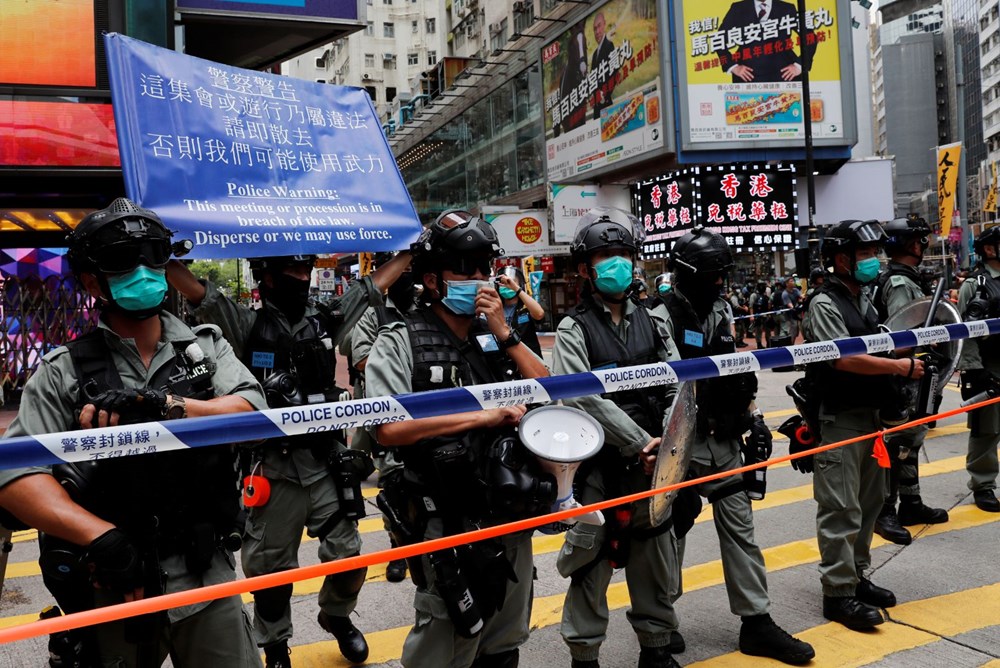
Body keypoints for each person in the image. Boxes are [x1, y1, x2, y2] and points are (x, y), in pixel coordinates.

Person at [0, 197, 266, 667]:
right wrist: (101, 537)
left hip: (207, 573)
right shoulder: (63, 371)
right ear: (90, 281)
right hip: (114, 582)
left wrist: (168, 406)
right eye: (124, 261)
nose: (143, 271)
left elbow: (252, 412)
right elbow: (17, 477)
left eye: (154, 256)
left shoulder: (204, 347)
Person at [166, 249, 411, 667]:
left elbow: (374, 285)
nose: (301, 277)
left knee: (348, 556)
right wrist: (163, 254)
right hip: (273, 466)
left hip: (325, 459)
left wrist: (409, 247)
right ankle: (275, 644)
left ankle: (337, 616)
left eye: (306, 269)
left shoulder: (326, 315)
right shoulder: (245, 323)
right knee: (271, 572)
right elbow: (197, 291)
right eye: (292, 271)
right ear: (268, 277)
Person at [364, 210, 549, 668]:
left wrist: (506, 332)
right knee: (449, 642)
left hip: (508, 508)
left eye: (485, 268)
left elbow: (548, 386)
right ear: (432, 280)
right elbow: (386, 428)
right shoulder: (401, 338)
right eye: (465, 270)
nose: (479, 280)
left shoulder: (497, 335)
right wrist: (479, 419)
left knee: (504, 639)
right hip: (444, 518)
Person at [654, 228, 814, 665]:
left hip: (725, 438)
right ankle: (660, 623)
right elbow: (669, 383)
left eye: (723, 273)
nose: (721, 282)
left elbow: (740, 369)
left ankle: (756, 622)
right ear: (688, 273)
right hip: (684, 442)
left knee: (741, 528)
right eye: (713, 274)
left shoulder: (721, 308)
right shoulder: (661, 315)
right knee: (673, 531)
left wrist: (755, 417)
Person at [553, 208, 683, 668]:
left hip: (653, 467)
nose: (616, 264)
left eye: (623, 254)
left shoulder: (655, 320)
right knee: (591, 565)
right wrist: (640, 442)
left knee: (655, 561)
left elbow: (678, 383)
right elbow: (580, 396)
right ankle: (585, 656)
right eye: (605, 256)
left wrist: (666, 439)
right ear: (586, 269)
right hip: (601, 470)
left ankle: (656, 647)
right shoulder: (574, 329)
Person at [800, 219, 924, 630]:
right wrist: (900, 366)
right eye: (865, 254)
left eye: (875, 253)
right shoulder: (824, 302)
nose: (874, 261)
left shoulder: (864, 298)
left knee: (871, 503)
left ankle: (856, 575)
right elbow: (843, 357)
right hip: (838, 420)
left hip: (871, 418)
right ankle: (837, 594)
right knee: (841, 508)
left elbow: (879, 339)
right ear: (841, 259)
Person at [871, 216, 949, 546]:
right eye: (918, 240)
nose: (922, 245)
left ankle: (911, 502)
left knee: (911, 439)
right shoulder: (900, 284)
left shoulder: (902, 278)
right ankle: (886, 510)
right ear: (909, 244)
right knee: (898, 441)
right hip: (904, 369)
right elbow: (907, 330)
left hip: (908, 369)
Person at [350, 260, 420, 583]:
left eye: (410, 272)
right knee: (392, 481)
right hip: (384, 410)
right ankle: (398, 548)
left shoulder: (424, 309)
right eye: (401, 272)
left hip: (422, 411)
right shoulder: (372, 314)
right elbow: (363, 360)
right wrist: (403, 364)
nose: (407, 278)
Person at [957, 227, 1000, 512]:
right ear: (988, 249)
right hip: (990, 364)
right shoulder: (975, 285)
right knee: (986, 429)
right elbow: (964, 332)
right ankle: (983, 484)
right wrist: (974, 371)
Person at [715, 0, 817, 83]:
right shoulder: (738, 8)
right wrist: (733, 67)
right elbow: (719, 40)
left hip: (784, 77)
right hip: (748, 78)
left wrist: (799, 65)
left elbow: (810, 37)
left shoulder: (787, 8)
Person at [498, 266, 545, 357]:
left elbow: (539, 314)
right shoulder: (495, 306)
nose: (507, 285)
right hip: (504, 360)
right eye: (503, 282)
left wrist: (517, 289)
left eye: (511, 281)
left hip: (529, 358)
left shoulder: (526, 306)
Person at [590, 12, 617, 118]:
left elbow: (614, 73)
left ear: (604, 24)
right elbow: (592, 81)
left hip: (606, 106)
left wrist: (604, 95)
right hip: (596, 109)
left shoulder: (609, 46)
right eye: (594, 29)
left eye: (599, 26)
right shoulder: (594, 55)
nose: (597, 31)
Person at [779, 277, 801, 342]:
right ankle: (790, 346)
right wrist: (796, 307)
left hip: (795, 315)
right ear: (786, 284)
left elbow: (801, 298)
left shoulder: (796, 290)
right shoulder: (785, 294)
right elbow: (790, 305)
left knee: (796, 332)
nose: (793, 282)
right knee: (791, 333)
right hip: (788, 317)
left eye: (793, 281)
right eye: (791, 281)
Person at [751, 282, 771, 348]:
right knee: (758, 330)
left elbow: (768, 306)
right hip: (757, 316)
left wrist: (769, 314)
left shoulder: (766, 296)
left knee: (768, 330)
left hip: (765, 315)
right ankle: (759, 344)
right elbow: (751, 306)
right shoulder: (754, 295)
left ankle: (769, 343)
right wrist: (751, 315)